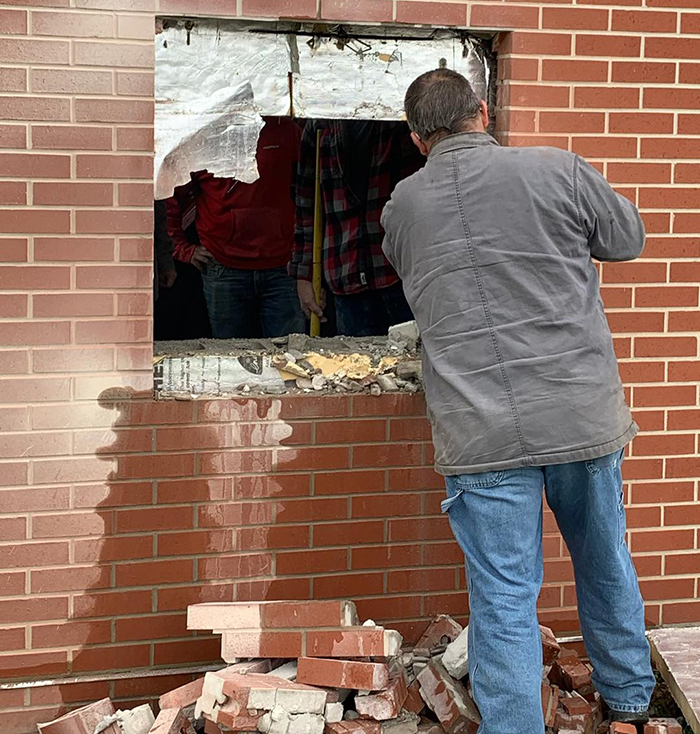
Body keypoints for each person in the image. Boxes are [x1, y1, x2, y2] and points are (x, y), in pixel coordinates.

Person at [380, 69, 655, 734]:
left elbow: (417, 280)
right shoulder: (556, 169)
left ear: (418, 139)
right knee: (604, 559)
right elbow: (627, 240)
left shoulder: (402, 207)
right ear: (482, 111)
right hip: (579, 413)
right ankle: (631, 699)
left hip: (480, 431)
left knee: (503, 599)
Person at [166, 117, 306, 339]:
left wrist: (305, 262)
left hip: (282, 266)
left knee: (290, 358)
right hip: (222, 267)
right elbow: (169, 194)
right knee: (232, 360)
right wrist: (182, 249)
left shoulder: (285, 129)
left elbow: (313, 187)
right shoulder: (203, 135)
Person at [290, 119, 423, 336]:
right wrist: (304, 275)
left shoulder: (398, 122)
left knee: (411, 364)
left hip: (401, 275)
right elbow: (306, 205)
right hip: (345, 273)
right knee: (356, 366)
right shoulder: (320, 126)